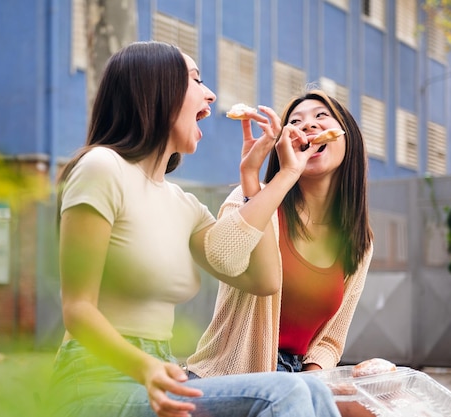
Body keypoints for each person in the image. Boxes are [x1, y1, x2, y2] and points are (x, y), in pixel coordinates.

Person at [48, 41, 342, 417]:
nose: (211, 93)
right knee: (281, 394)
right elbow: (77, 309)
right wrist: (146, 367)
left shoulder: (182, 204)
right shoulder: (101, 169)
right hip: (91, 382)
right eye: (196, 79)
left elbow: (264, 280)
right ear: (156, 90)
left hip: (160, 373)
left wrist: (277, 178)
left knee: (309, 391)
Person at [187, 89, 373, 377]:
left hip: (298, 378)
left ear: (348, 137)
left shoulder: (359, 240)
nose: (308, 126)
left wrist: (315, 383)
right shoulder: (254, 199)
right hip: (226, 376)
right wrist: (251, 179)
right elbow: (223, 256)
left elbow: (330, 342)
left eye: (321, 116)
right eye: (296, 122)